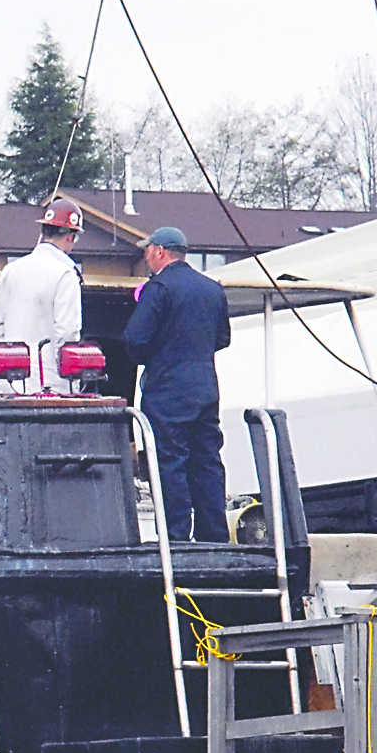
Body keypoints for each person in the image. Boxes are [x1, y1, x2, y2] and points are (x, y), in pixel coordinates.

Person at [124, 225, 232, 542]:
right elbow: (223, 339)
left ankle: (176, 536)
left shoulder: (159, 289)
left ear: (159, 251)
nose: (145, 257)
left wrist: (156, 355)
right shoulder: (212, 289)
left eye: (147, 250)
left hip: (167, 388)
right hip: (206, 386)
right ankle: (214, 535)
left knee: (169, 461)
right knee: (208, 460)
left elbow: (135, 339)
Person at [0, 199, 85, 393]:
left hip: (9, 384)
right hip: (50, 385)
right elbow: (67, 333)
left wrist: (7, 368)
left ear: (43, 232)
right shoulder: (65, 274)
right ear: (70, 237)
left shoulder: (10, 270)